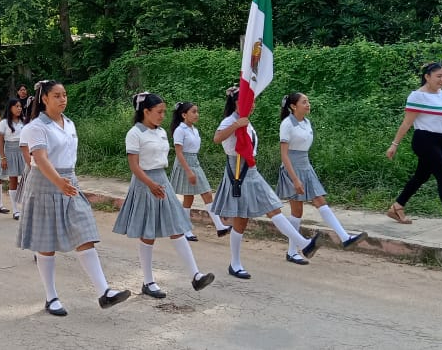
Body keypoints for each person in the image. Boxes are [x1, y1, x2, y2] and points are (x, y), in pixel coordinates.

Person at [17, 80, 130, 316]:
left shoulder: (69, 124)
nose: (63, 99)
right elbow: (40, 157)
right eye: (57, 95)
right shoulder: (37, 126)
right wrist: (59, 182)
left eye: (65, 95)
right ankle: (51, 297)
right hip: (46, 183)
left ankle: (104, 292)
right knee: (46, 243)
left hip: (69, 181)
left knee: (84, 231)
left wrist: (68, 182)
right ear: (44, 99)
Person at [112, 93, 216, 299]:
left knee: (177, 227)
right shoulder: (135, 133)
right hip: (145, 184)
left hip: (162, 181)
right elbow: (134, 165)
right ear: (146, 111)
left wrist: (159, 183)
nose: (162, 116)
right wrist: (150, 184)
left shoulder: (160, 132)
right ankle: (148, 282)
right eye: (159, 112)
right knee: (147, 233)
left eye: (164, 112)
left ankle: (195, 275)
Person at [212, 86, 321, 279]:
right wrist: (236, 125)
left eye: (253, 102)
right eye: (249, 102)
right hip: (238, 170)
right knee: (244, 219)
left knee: (270, 209)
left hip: (250, 169)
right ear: (237, 103)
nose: (252, 106)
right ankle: (236, 263)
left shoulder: (246, 121)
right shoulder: (230, 120)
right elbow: (217, 138)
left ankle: (303, 244)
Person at [385, 62, 442, 237]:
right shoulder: (417, 96)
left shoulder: (441, 94)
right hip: (424, 140)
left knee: (421, 176)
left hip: (441, 141)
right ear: (427, 77)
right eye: (438, 76)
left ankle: (397, 207)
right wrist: (394, 145)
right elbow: (407, 122)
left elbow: (440, 115)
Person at [276, 93, 367, 265]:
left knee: (320, 201)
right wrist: (294, 179)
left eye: (308, 101)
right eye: (304, 102)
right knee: (297, 212)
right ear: (293, 106)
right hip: (293, 168)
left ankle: (345, 237)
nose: (308, 104)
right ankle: (292, 252)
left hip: (306, 165)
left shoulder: (306, 122)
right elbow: (284, 155)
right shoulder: (287, 124)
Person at [169, 101, 231, 241]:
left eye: (197, 111)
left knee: (198, 195)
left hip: (195, 162)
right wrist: (188, 171)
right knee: (198, 195)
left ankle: (217, 226)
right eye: (193, 112)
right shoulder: (180, 130)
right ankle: (189, 229)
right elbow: (179, 153)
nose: (196, 114)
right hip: (185, 163)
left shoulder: (194, 129)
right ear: (184, 115)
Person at [0, 99, 26, 219]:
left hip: (23, 150)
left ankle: (25, 207)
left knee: (26, 178)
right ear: (10, 108)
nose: (19, 108)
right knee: (13, 179)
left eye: (20, 106)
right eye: (16, 106)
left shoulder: (24, 121)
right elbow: (0, 141)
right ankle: (15, 209)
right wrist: (3, 157)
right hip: (10, 150)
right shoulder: (4, 123)